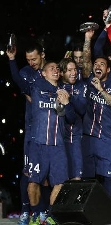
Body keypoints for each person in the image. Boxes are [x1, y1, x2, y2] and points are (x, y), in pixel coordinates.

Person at [6, 42, 47, 225]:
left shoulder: (52, 70)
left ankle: (44, 212)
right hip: (32, 130)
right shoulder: (25, 73)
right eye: (28, 59)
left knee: (46, 174)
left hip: (50, 130)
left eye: (34, 59)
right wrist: (12, 60)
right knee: (28, 172)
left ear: (42, 55)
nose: (31, 62)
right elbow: (19, 81)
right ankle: (25, 211)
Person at [27, 61, 72, 224]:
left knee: (60, 183)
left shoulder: (64, 92)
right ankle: (36, 215)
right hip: (38, 143)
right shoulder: (36, 87)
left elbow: (71, 118)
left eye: (57, 68)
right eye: (51, 68)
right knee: (33, 182)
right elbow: (19, 80)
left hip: (58, 144)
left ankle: (50, 215)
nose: (55, 70)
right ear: (43, 73)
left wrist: (67, 103)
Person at [81, 56, 111, 196]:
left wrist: (101, 89)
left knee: (108, 176)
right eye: (96, 63)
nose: (98, 66)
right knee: (87, 176)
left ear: (108, 69)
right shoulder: (88, 80)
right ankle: (88, 212)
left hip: (106, 137)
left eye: (102, 64)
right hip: (88, 136)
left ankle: (107, 212)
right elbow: (86, 60)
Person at [58, 58, 87, 181]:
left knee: (77, 176)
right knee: (61, 176)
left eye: (75, 69)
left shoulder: (82, 86)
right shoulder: (56, 86)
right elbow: (59, 112)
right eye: (69, 70)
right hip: (60, 136)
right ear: (62, 72)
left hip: (76, 136)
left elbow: (82, 110)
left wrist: (69, 99)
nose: (74, 73)